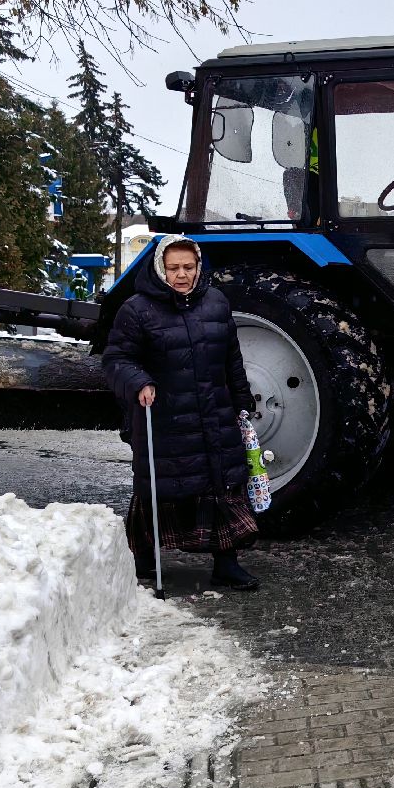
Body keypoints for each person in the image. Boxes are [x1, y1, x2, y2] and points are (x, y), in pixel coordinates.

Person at [102, 235, 262, 590]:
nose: (181, 275)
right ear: (160, 268)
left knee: (222, 484)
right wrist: (139, 381)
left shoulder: (216, 303)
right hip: (163, 414)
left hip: (214, 410)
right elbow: (116, 359)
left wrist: (242, 401)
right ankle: (145, 557)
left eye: (188, 267)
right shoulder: (136, 309)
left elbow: (231, 357)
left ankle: (226, 563)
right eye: (173, 268)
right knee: (162, 486)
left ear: (198, 266)